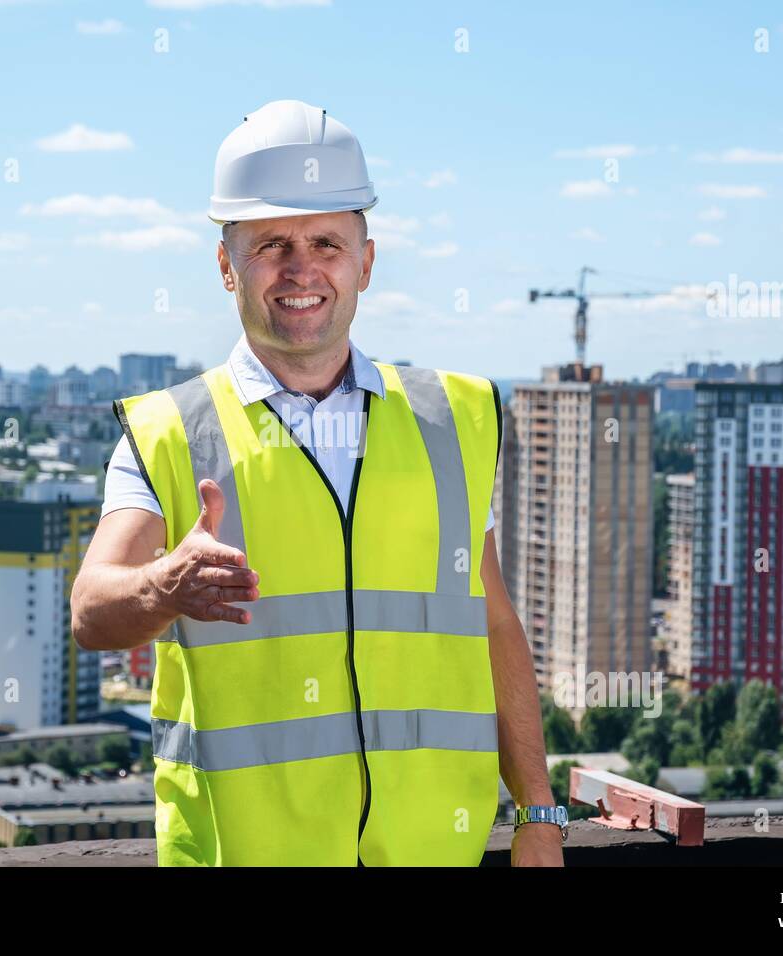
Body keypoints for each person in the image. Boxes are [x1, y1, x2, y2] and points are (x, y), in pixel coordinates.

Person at [71, 100, 564, 866]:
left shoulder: (453, 421)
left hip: (433, 853)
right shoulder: (173, 433)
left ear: (365, 261)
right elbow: (91, 611)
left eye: (326, 242)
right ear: (226, 265)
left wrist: (539, 812)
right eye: (271, 245)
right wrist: (162, 589)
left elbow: (493, 623)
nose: (301, 269)